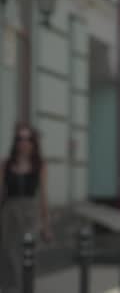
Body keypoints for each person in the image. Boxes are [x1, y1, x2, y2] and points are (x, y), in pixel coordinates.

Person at [0, 123, 52, 292]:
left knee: (27, 255)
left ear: (33, 142)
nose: (23, 142)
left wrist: (46, 226)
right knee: (8, 254)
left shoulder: (39, 166)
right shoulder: (5, 164)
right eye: (19, 138)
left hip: (30, 215)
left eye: (27, 139)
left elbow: (43, 197)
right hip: (9, 215)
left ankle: (25, 289)